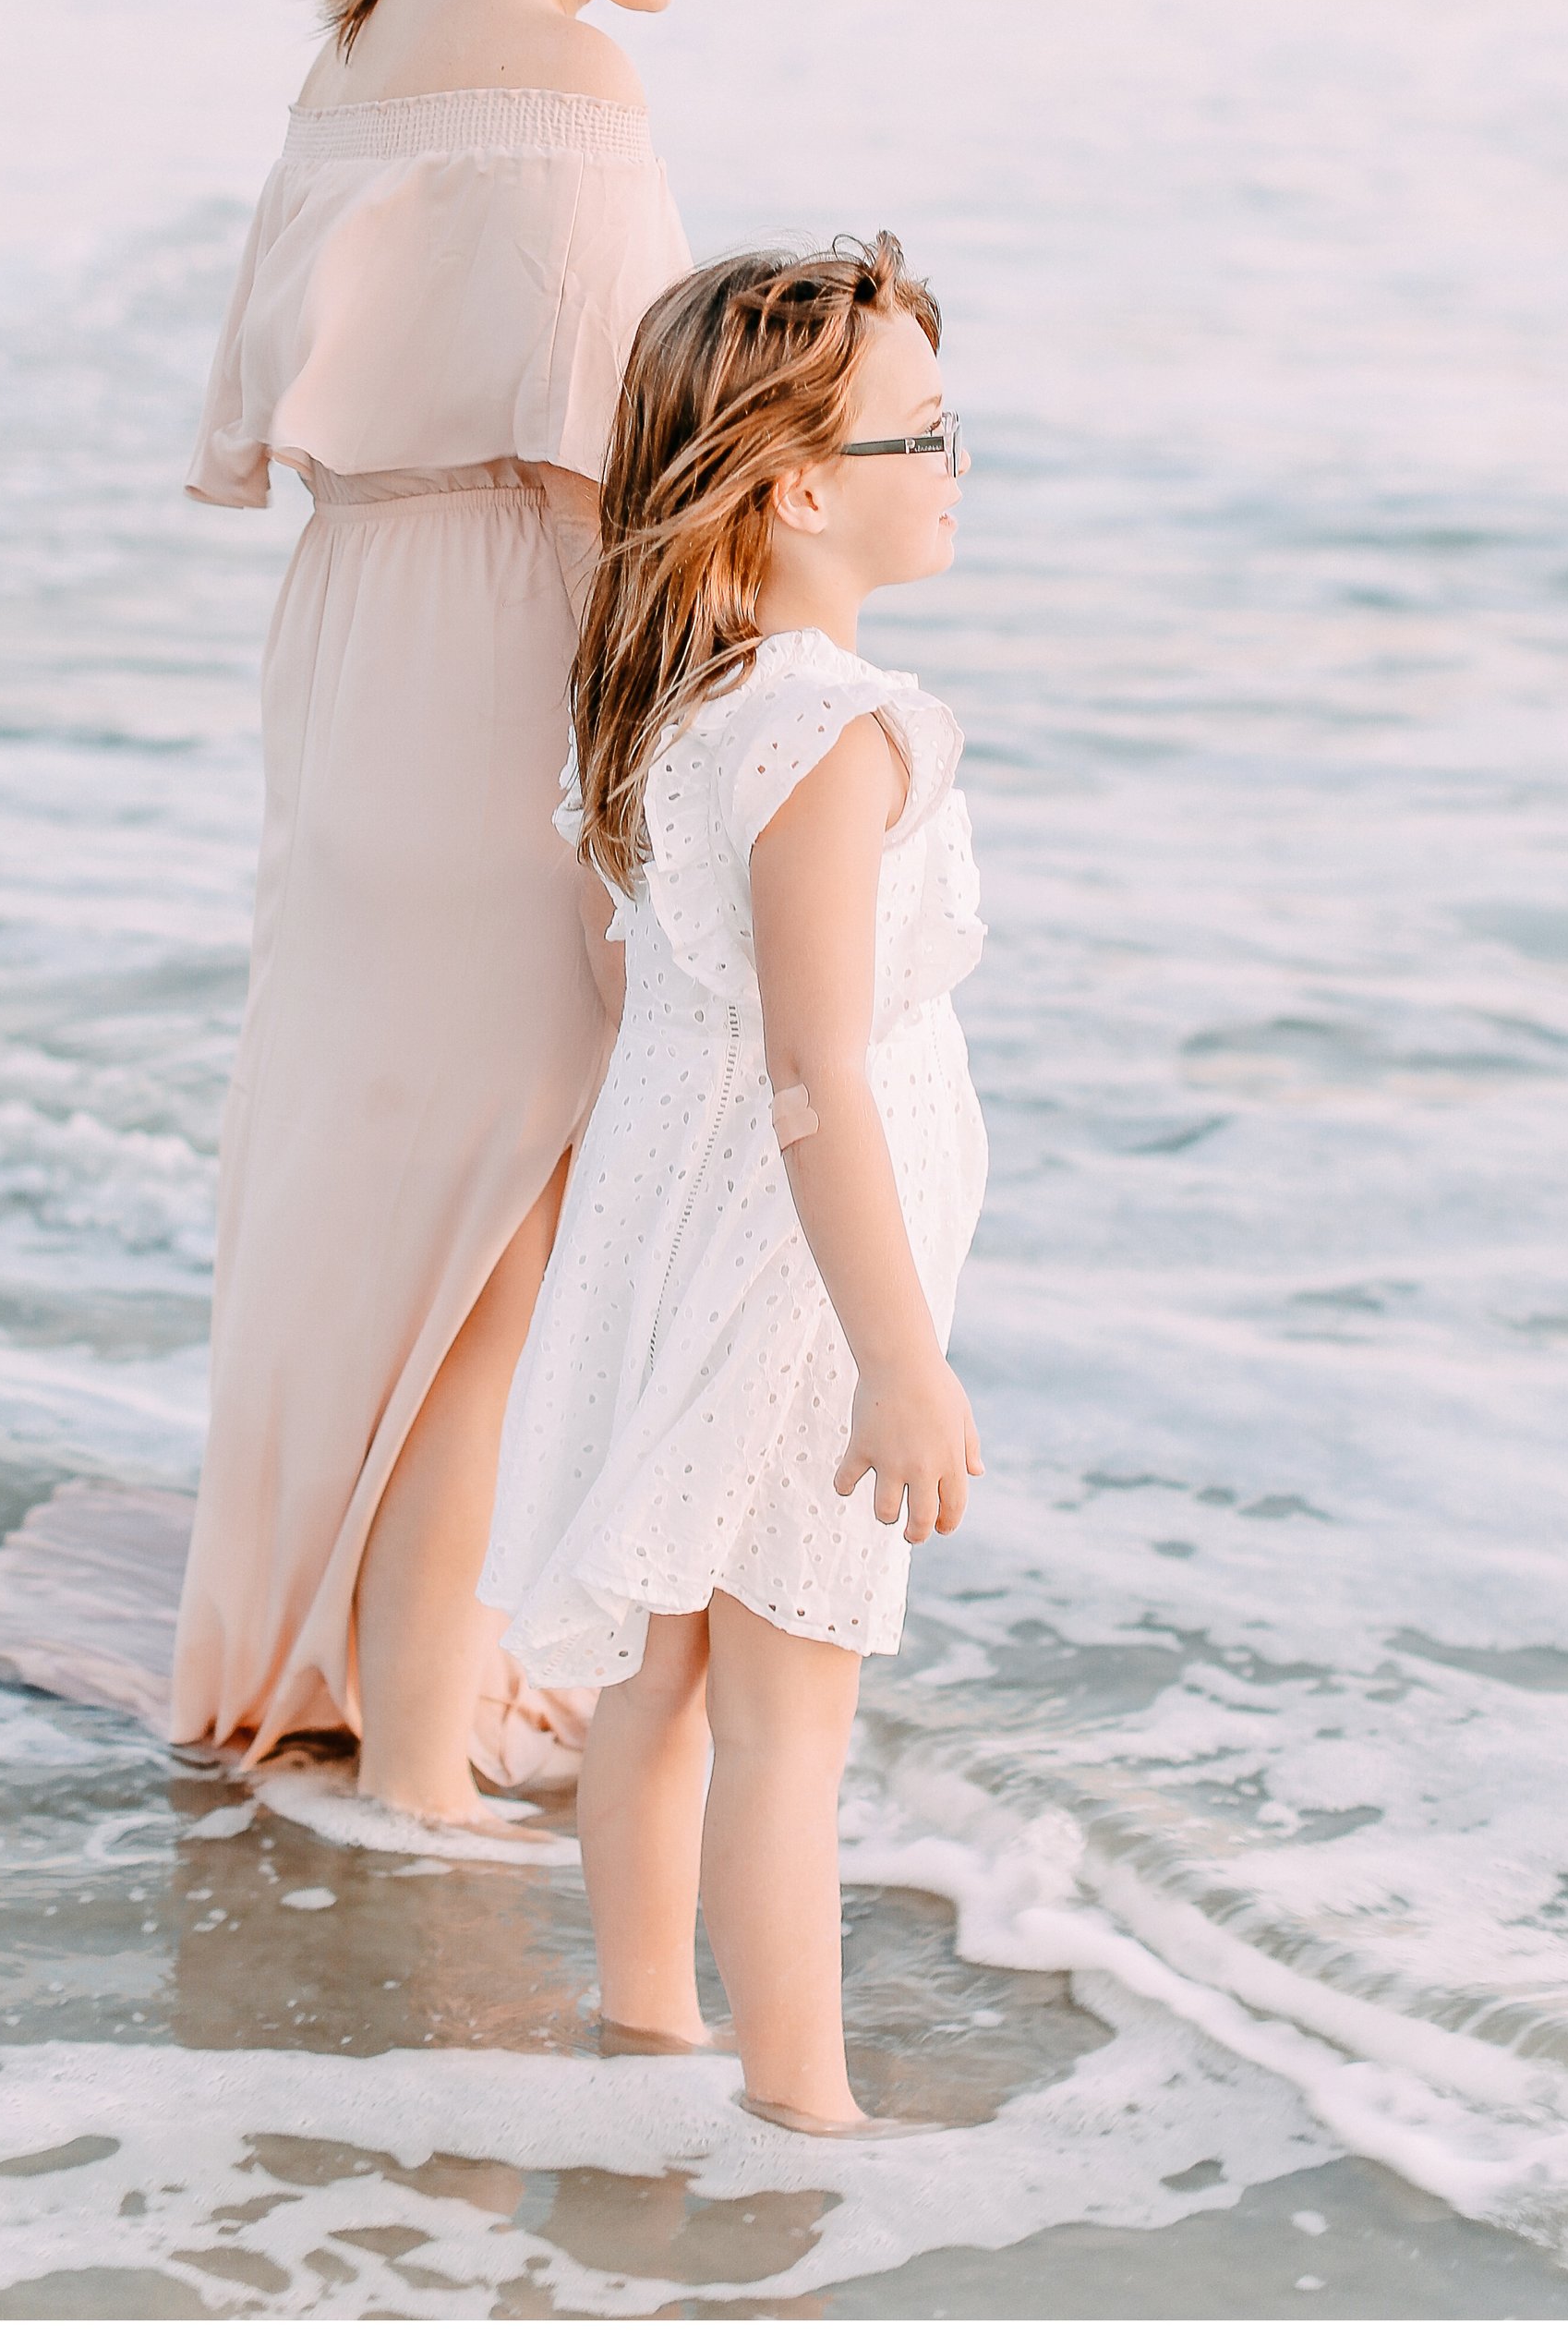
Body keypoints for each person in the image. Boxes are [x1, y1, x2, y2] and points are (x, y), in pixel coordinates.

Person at [171, 0, 848, 1822]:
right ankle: (421, 1764)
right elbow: (630, 473)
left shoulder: (383, 18)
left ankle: (395, 1661)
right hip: (487, 685)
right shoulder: (567, 81)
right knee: (496, 1222)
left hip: (369, 637)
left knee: (396, 1183)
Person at [482, 234, 988, 2129]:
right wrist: (897, 1359)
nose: (953, 469)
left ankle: (644, 2033)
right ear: (796, 484)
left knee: (662, 1678)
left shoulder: (683, 702)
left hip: (675, 1216)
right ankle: (805, 2111)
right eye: (923, 435)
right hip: (798, 1270)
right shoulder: (834, 739)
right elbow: (813, 1075)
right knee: (788, 1717)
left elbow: (676, 1003)